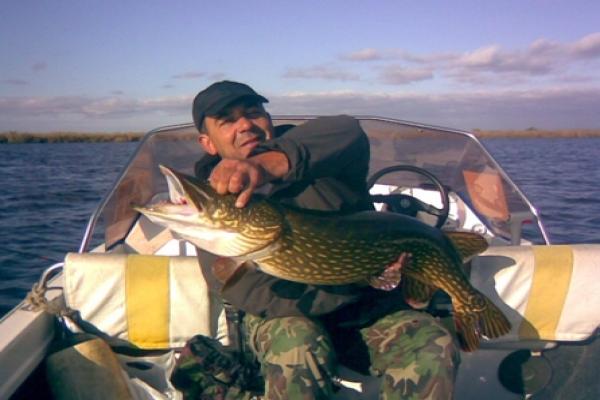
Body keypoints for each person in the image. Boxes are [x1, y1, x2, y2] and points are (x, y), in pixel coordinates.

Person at [189, 80, 459, 399]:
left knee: (433, 343)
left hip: (367, 313)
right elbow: (256, 294)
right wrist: (361, 279)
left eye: (253, 112)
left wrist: (262, 166)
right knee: (297, 342)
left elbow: (349, 130)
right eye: (228, 121)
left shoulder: (318, 154)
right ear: (207, 143)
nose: (245, 124)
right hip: (284, 318)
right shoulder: (211, 203)